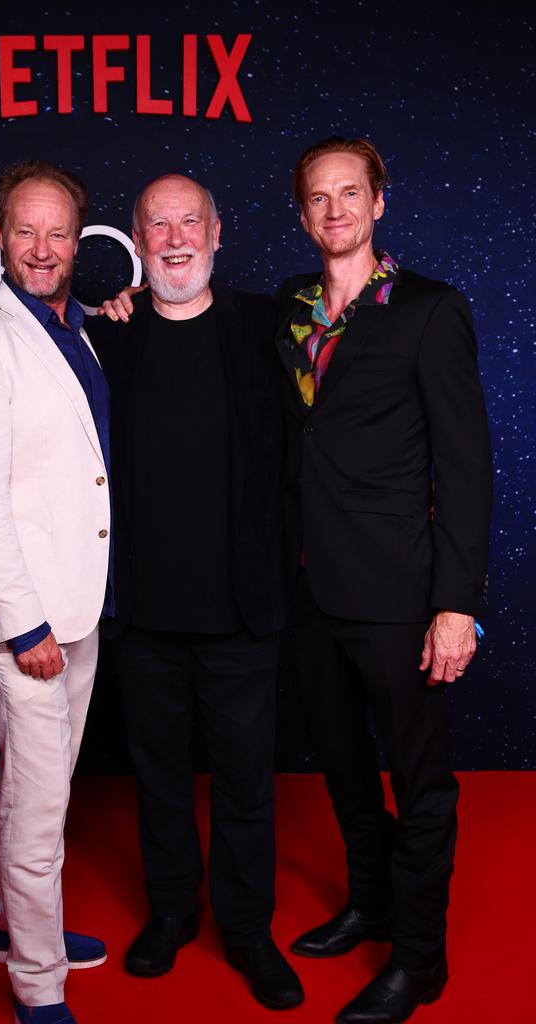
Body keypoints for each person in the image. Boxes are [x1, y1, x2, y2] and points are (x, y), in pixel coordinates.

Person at [275, 137, 492, 1024]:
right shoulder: (286, 308)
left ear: (379, 203)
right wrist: (132, 302)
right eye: (318, 199)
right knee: (342, 762)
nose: (335, 211)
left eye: (349, 194)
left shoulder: (432, 311)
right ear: (302, 215)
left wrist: (457, 606)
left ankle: (420, 957)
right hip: (310, 590)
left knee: (420, 780)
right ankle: (369, 900)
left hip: (403, 596)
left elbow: (467, 468)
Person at [87, 174, 304, 1011]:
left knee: (249, 782)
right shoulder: (113, 336)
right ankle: (174, 911)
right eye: (157, 225)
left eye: (189, 222)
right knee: (158, 775)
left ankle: (248, 931)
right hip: (142, 610)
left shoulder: (265, 326)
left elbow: (304, 454)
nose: (174, 237)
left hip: (243, 609)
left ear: (219, 231)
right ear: (138, 242)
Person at [0, 159, 112, 1024]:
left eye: (59, 233)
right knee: (40, 810)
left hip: (79, 603)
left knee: (39, 784)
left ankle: (9, 921)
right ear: (0, 236)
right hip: (27, 619)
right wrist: (24, 623)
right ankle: (38, 985)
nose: (43, 249)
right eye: (26, 231)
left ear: (78, 242)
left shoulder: (71, 326)